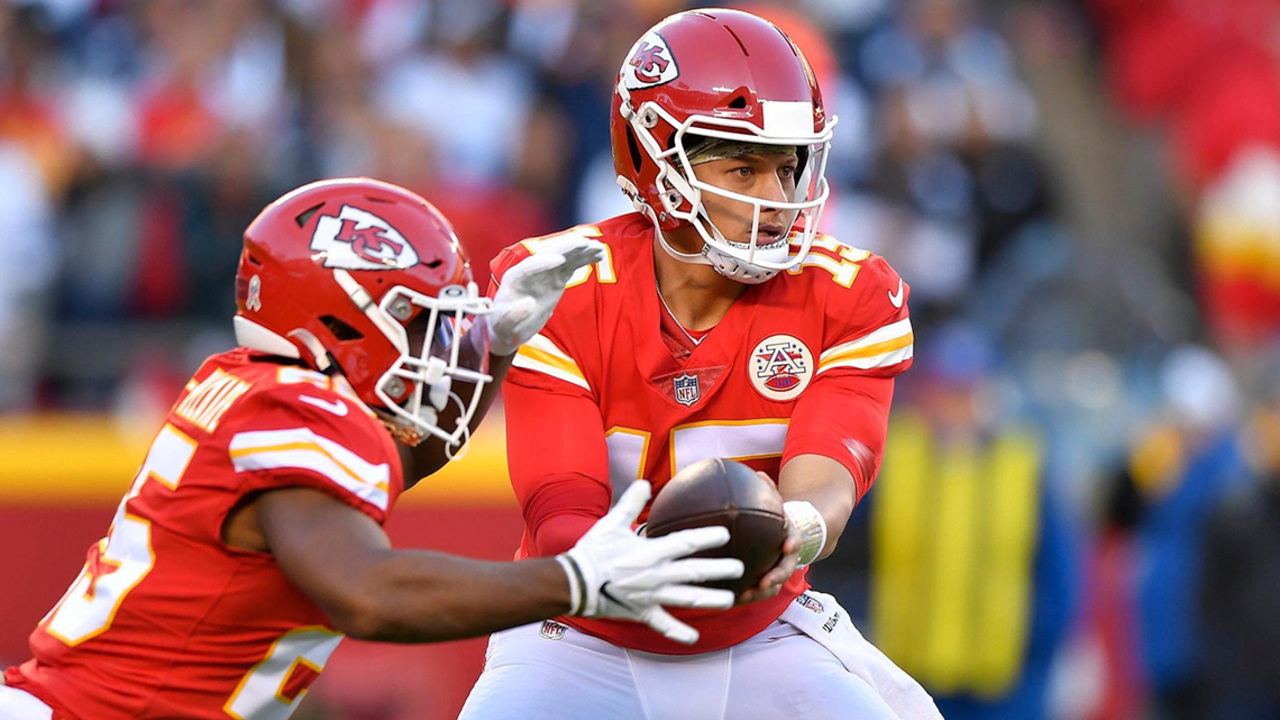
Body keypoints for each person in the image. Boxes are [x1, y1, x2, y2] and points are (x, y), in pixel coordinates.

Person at [0, 178, 744, 720]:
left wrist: (498, 351)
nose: (445, 344)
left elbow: (412, 453)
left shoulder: (258, 386)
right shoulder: (294, 410)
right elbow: (368, 592)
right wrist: (574, 582)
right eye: (424, 321)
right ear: (343, 322)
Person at [460, 10, 939, 720]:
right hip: (583, 631)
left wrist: (798, 525)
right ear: (655, 162)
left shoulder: (850, 294)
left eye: (787, 166)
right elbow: (561, 507)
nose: (777, 201)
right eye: (744, 167)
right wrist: (632, 569)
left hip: (763, 627)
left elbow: (827, 479)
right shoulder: (562, 284)